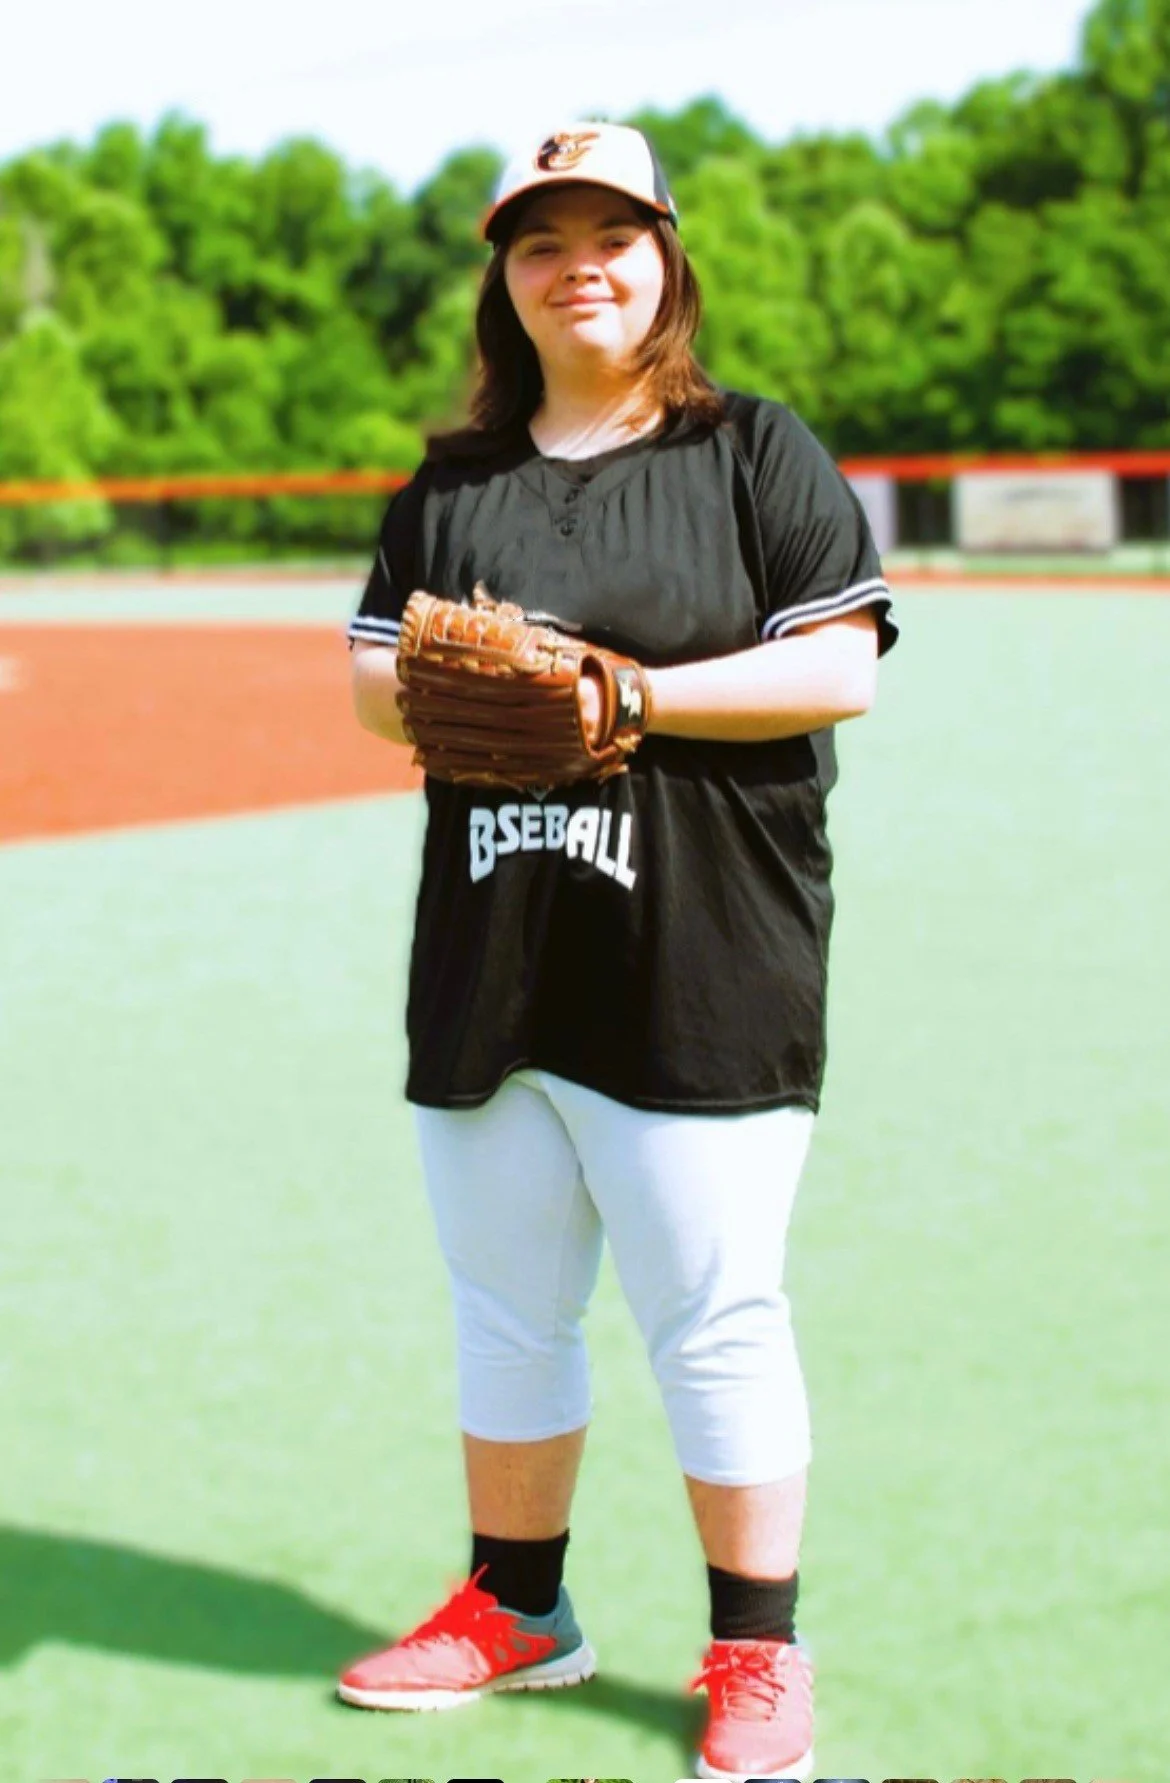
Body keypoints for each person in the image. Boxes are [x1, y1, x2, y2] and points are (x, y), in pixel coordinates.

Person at [339, 120, 898, 1782]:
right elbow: (377, 682)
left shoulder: (750, 452)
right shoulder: (453, 486)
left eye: (610, 231)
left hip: (700, 951)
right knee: (506, 1310)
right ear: (503, 283)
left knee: (712, 1314)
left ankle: (754, 1648)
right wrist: (472, 690)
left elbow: (842, 665)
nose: (576, 260)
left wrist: (628, 692)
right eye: (537, 239)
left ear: (664, 260)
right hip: (499, 945)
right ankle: (519, 1608)